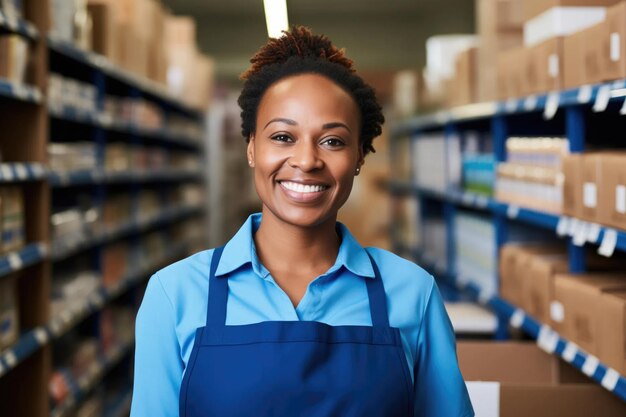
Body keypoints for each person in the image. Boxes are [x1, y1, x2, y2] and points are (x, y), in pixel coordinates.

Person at [130, 25, 474, 417]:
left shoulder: (413, 294)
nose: (307, 160)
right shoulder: (175, 296)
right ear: (252, 149)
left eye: (332, 141)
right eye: (282, 137)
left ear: (360, 156)